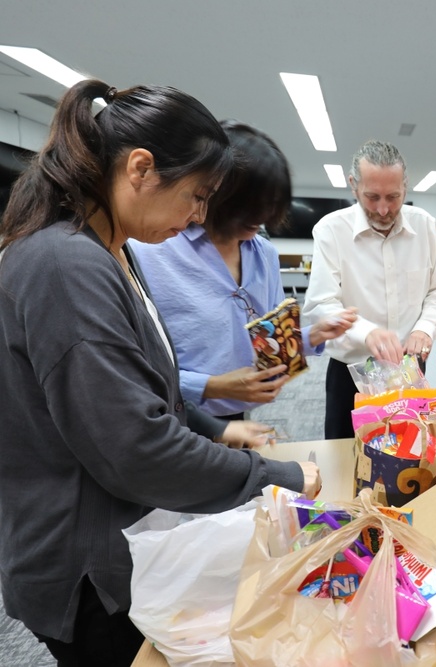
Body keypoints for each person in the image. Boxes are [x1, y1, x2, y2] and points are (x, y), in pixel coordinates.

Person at [0, 80, 321, 666]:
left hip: (120, 537)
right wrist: (280, 476)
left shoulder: (110, 249)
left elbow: (149, 382)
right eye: (198, 196)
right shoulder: (66, 264)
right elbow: (136, 448)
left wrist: (219, 429)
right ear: (141, 169)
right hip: (84, 569)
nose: (200, 216)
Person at [131, 120, 357, 419]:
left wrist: (311, 335)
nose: (262, 217)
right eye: (250, 206)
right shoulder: (151, 251)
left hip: (239, 417)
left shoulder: (263, 254)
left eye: (272, 205)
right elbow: (131, 369)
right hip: (171, 417)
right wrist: (211, 386)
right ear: (214, 191)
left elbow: (271, 338)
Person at [302, 140, 436, 439]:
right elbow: (322, 303)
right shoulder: (331, 230)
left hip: (410, 370)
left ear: (406, 187)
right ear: (353, 186)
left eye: (393, 197)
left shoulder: (425, 226)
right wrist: (367, 331)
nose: (384, 209)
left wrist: (424, 327)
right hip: (351, 373)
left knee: (413, 454)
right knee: (345, 456)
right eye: (372, 197)